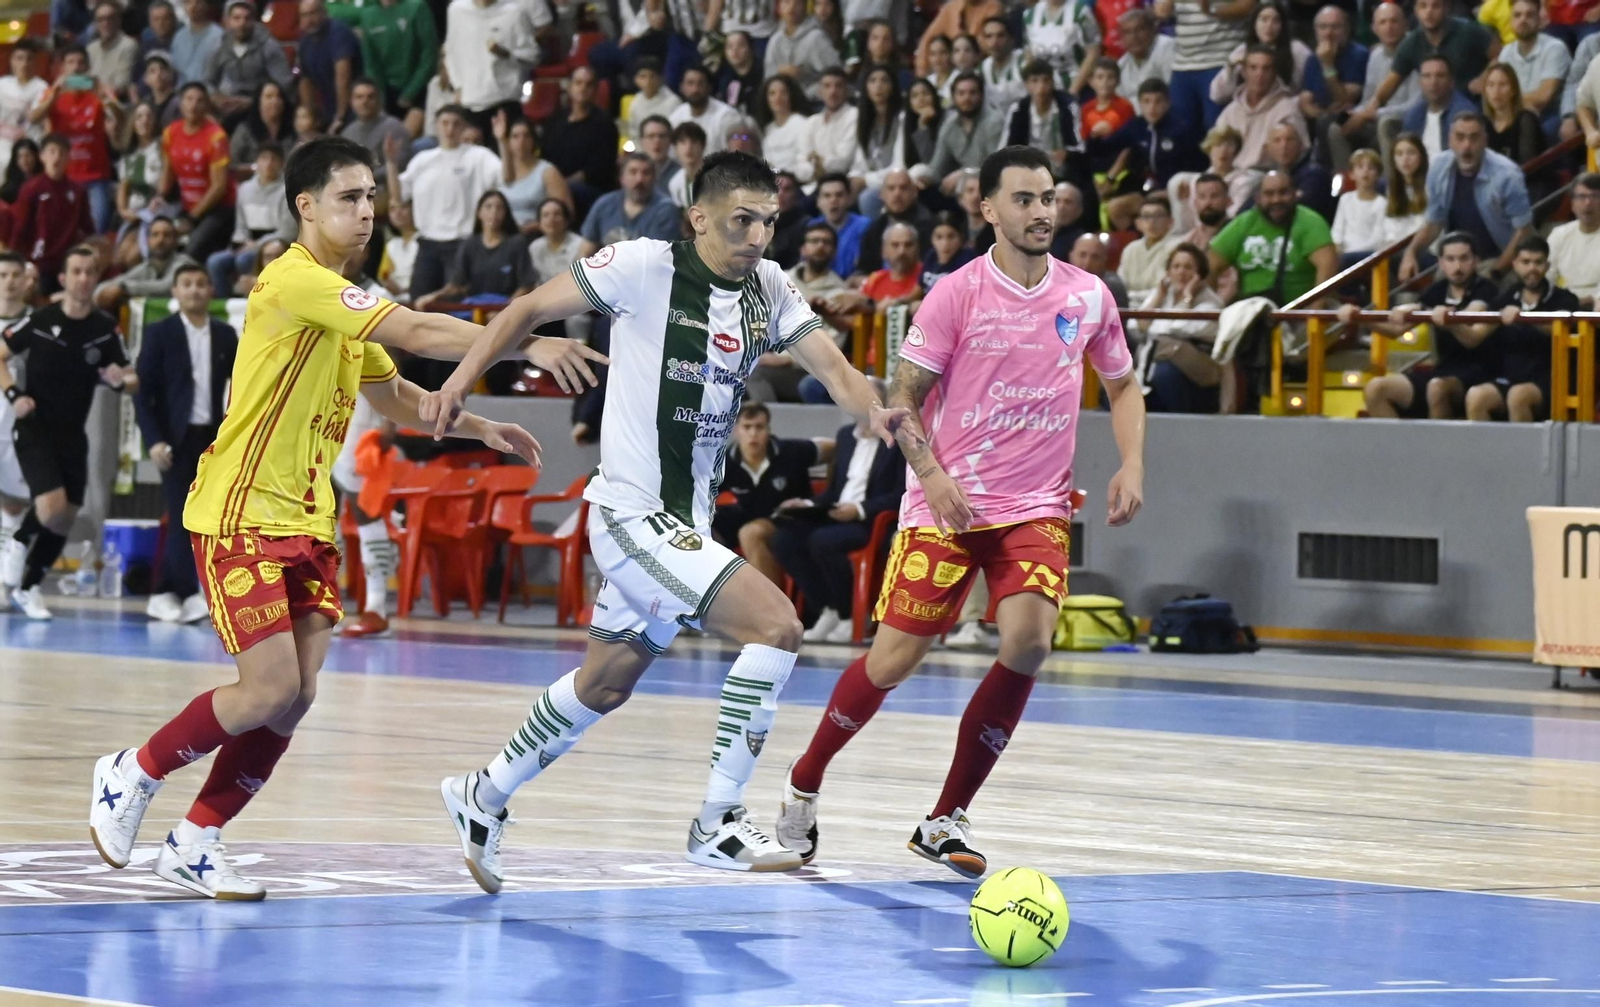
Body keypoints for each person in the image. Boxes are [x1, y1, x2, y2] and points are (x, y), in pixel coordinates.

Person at [85, 135, 585, 900]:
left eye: (371, 198)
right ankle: (132, 770)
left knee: (299, 693)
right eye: (349, 198)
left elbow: (396, 395)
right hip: (240, 509)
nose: (365, 212)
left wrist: (480, 426)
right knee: (264, 688)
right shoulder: (295, 280)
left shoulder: (347, 309)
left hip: (308, 520)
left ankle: (195, 839)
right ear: (305, 207)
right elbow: (416, 331)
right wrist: (528, 336)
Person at [424, 150, 909, 887]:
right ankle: (716, 822)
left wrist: (879, 413)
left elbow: (834, 368)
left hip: (681, 527)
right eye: (742, 220)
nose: (758, 236)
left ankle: (481, 793)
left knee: (606, 682)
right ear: (700, 219)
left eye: (769, 221)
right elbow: (525, 308)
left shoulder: (769, 287)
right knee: (777, 626)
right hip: (629, 513)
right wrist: (462, 381)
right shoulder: (642, 266)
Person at [774, 145, 1145, 878]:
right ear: (988, 208)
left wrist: (1133, 462)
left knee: (1031, 640)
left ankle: (945, 818)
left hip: (1035, 506)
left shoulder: (1088, 296)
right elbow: (901, 400)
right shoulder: (956, 295)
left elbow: (1124, 386)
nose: (1041, 212)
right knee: (893, 659)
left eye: (1049, 198)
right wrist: (933, 475)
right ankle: (804, 780)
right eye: (1025, 199)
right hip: (946, 501)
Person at [0, 245, 139, 621]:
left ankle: (29, 588)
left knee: (64, 518)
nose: (82, 279)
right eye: (75, 271)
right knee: (51, 507)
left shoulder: (103, 329)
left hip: (73, 435)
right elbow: (1, 353)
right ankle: (16, 540)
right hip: (33, 429)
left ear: (96, 278)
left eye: (89, 272)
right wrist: (14, 394)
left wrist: (119, 381)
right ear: (63, 278)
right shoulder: (41, 319)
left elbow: (130, 378)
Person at [134, 263, 237, 624]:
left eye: (200, 284)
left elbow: (238, 386)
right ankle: (179, 592)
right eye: (186, 284)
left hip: (211, 440)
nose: (194, 290)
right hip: (173, 441)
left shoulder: (225, 335)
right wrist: (154, 440)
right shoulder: (161, 333)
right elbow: (142, 392)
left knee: (205, 518)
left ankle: (176, 590)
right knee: (181, 515)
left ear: (211, 290)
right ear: (175, 292)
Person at [772, 377, 905, 643]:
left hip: (870, 521)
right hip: (836, 515)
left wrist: (857, 510)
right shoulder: (846, 437)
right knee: (785, 538)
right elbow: (834, 491)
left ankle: (850, 616)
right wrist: (808, 505)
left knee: (823, 541)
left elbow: (900, 495)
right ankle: (827, 608)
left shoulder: (898, 441)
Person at [1356, 231, 1498, 419]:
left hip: (1481, 374)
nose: (1458, 266)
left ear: (1475, 261)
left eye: (1464, 259)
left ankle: (1439, 449)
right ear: (1441, 262)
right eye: (1451, 259)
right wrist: (1359, 316)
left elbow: (1471, 333)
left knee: (1436, 387)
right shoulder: (1437, 290)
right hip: (1443, 370)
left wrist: (1448, 318)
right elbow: (1394, 331)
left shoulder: (1487, 289)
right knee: (1376, 388)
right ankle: (1398, 448)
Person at [1399, 111, 1532, 282]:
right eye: (1460, 137)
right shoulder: (1438, 167)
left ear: (1485, 140)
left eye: (1474, 138)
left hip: (1498, 258)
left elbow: (1524, 231)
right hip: (1457, 260)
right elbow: (1433, 223)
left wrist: (1497, 271)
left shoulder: (1507, 174)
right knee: (1433, 298)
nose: (1466, 146)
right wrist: (1411, 252)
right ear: (1450, 140)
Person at [389, 104, 502, 302]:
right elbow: (398, 198)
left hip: (462, 241)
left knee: (455, 303)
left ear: (464, 128)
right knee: (419, 301)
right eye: (445, 123)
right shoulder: (422, 160)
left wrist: (502, 142)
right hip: (427, 242)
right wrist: (390, 163)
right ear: (436, 126)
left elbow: (506, 179)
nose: (450, 129)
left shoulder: (479, 156)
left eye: (456, 124)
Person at [712, 402, 832, 585]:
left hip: (791, 520)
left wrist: (832, 490)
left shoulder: (791, 451)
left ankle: (768, 608)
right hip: (748, 517)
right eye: (747, 427)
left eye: (759, 427)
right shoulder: (723, 464)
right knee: (699, 534)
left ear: (768, 429)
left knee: (750, 533)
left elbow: (836, 447)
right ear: (736, 430)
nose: (753, 434)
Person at [1464, 236, 1580, 423]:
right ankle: (1484, 452)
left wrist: (1525, 318)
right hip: (1512, 378)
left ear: (1547, 266)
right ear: (1515, 264)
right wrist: (1450, 321)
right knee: (1476, 396)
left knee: (1518, 396)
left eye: (1538, 262)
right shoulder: (1506, 297)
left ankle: (1523, 453)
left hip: (1553, 381)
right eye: (1526, 262)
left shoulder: (1564, 298)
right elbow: (1473, 337)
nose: (1532, 268)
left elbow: (1563, 330)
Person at [1208, 169, 1338, 305]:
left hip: (1299, 314)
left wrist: (1313, 315)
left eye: (1283, 193)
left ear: (1295, 194)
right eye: (1269, 194)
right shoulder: (1243, 223)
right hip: (1250, 313)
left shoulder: (1311, 222)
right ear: (1258, 198)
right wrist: (1212, 307)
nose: (1276, 200)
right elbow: (1209, 268)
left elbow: (1328, 267)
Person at [34, 44, 122, 234]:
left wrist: (105, 98)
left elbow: (121, 116)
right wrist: (54, 95)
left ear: (88, 67)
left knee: (97, 228)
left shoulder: (98, 91)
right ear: (63, 68)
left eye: (81, 63)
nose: (75, 67)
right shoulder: (53, 92)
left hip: (96, 176)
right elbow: (34, 118)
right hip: (64, 176)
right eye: (70, 62)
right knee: (62, 230)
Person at [1134, 242, 1224, 413]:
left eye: (1188, 267)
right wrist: (1159, 296)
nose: (1181, 272)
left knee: (1165, 373)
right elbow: (1142, 324)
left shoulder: (1211, 303)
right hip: (1151, 368)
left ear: (1200, 274)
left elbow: (1177, 327)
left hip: (1197, 376)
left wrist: (1187, 297)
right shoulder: (1163, 293)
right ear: (1168, 272)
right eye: (1176, 267)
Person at [1365, 0, 1497, 113]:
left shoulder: (1468, 31)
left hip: (1470, 102)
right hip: (1431, 105)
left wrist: (1484, 78)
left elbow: (1500, 55)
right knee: (1392, 122)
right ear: (1416, 11)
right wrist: (1367, 111)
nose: (1428, 12)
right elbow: (1388, 87)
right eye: (1423, 6)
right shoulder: (1412, 43)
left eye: (1435, 6)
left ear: (1446, 8)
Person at [414, 190, 535, 309]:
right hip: (475, 308)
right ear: (479, 212)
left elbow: (526, 285)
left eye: (499, 208)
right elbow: (457, 284)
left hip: (505, 307)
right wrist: (433, 296)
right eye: (488, 207)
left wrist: (505, 311)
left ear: (505, 213)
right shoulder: (469, 245)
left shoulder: (517, 243)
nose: (494, 212)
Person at [1332, 1, 1415, 169]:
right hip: (1375, 118)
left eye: (1394, 21)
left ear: (1405, 25)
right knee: (1336, 128)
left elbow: (1415, 106)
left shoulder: (1415, 52)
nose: (1389, 27)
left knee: (1385, 124)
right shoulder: (1375, 55)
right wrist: (1355, 113)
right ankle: (1348, 184)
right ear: (1374, 28)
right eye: (1383, 22)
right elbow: (1367, 100)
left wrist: (1373, 114)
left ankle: (1391, 186)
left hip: (1405, 122)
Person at [205, 144, 295, 295]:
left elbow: (288, 231)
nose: (268, 164)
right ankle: (226, 304)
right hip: (247, 244)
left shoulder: (287, 191)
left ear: (281, 164)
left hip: (274, 244)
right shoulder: (245, 189)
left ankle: (252, 301)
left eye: (274, 159)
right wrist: (240, 242)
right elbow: (241, 225)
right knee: (215, 262)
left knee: (245, 260)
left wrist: (257, 244)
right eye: (264, 158)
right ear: (257, 162)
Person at [160, 82, 235, 261]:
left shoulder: (216, 136)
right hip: (185, 206)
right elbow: (167, 173)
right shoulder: (171, 132)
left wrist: (192, 217)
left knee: (190, 252)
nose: (193, 105)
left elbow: (219, 187)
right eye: (189, 99)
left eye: (200, 100)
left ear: (207, 105)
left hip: (217, 209)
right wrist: (158, 198)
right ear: (181, 103)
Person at [10, 134, 93, 294]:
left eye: (62, 153)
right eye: (52, 152)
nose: (56, 157)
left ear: (69, 157)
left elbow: (88, 227)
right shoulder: (31, 188)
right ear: (42, 156)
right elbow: (19, 228)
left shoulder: (77, 190)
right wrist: (20, 263)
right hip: (38, 263)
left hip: (67, 263)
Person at [1160, 0, 1251, 132]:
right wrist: (1165, 6)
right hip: (1183, 64)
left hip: (1220, 60)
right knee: (1179, 131)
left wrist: (1212, 10)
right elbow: (1161, 12)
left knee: (1218, 131)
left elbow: (1247, 6)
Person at [1297, 5, 1367, 172]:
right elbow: (1305, 102)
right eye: (1323, 27)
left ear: (1347, 29)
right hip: (1323, 116)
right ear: (1315, 31)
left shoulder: (1358, 54)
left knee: (1325, 123)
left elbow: (1344, 99)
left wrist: (1327, 65)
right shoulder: (1313, 58)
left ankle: (1335, 179)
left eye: (1335, 27)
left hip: (1353, 119)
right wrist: (1321, 111)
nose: (1328, 33)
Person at [1214, 46, 1307, 171]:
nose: (1260, 74)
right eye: (1253, 68)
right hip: (1229, 172)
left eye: (1266, 69)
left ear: (1274, 73)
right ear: (1244, 72)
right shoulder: (1230, 111)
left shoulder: (1287, 108)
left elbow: (1301, 151)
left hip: (1265, 174)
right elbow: (1216, 148)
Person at [542, 67, 621, 209]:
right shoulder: (555, 120)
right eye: (578, 83)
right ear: (570, 87)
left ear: (595, 90)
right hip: (556, 182)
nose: (583, 88)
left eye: (588, 84)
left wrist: (561, 185)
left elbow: (598, 169)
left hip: (589, 190)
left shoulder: (605, 124)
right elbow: (545, 157)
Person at [349, 0, 439, 125]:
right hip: (387, 91)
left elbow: (429, 54)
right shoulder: (368, 14)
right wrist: (380, 96)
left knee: (404, 136)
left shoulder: (417, 7)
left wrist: (411, 92)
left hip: (419, 89)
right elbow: (371, 62)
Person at [0, 254, 33, 585]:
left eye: (15, 274)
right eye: (3, 274)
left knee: (12, 505)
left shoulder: (34, 325)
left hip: (16, 427)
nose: (8, 281)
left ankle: (7, 579)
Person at [205, 0, 293, 122]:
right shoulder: (220, 46)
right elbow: (207, 81)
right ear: (227, 21)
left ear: (254, 21)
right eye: (237, 18)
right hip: (229, 107)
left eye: (247, 18)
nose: (242, 23)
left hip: (261, 109)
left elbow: (284, 84)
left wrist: (254, 101)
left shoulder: (268, 46)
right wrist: (216, 98)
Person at [1210, 1, 1309, 107]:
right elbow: (1217, 95)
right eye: (1264, 19)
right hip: (1248, 112)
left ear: (1283, 25)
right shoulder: (1242, 51)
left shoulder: (1297, 50)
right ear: (1254, 23)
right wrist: (1230, 70)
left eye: (1276, 21)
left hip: (1285, 108)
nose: (1269, 25)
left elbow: (1308, 87)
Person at [578, 153, 680, 253]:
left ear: (655, 179)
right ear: (622, 178)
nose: (639, 179)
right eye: (633, 172)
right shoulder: (604, 204)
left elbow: (657, 258)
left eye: (646, 173)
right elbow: (585, 250)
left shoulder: (665, 210)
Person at [492, 112, 573, 233]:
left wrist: (539, 226)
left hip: (534, 234)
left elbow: (567, 213)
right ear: (508, 141)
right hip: (504, 235)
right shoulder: (498, 170)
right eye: (515, 136)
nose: (521, 142)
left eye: (526, 136)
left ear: (533, 140)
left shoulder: (548, 172)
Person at [96, 215, 196, 310]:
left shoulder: (185, 263)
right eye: (155, 235)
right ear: (148, 241)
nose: (160, 240)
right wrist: (101, 294)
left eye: (167, 235)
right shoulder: (147, 267)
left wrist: (124, 288)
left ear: (175, 241)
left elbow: (166, 288)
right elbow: (106, 287)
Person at [930, 73, 1004, 194]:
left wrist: (965, 174)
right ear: (953, 97)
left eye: (972, 93)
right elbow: (937, 167)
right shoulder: (949, 125)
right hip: (962, 190)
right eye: (961, 93)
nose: (967, 98)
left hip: (991, 187)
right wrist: (921, 178)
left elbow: (997, 168)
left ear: (981, 96)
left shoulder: (994, 121)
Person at [1497, 0, 1568, 122]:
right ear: (1510, 22)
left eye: (1529, 15)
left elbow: (1544, 96)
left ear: (1539, 20)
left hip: (1552, 114)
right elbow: (1498, 92)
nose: (1523, 20)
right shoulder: (1506, 52)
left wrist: (1507, 100)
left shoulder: (1555, 47)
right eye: (1517, 15)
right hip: (1519, 113)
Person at [296, 0, 362, 130]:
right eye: (304, 15)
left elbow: (343, 78)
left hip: (354, 106)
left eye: (312, 13)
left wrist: (340, 117)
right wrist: (310, 117)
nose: (308, 20)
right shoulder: (305, 41)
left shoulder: (338, 33)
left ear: (324, 12)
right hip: (328, 107)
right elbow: (305, 80)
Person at [853, 172, 933, 275]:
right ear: (882, 194)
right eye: (891, 188)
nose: (897, 193)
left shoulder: (929, 226)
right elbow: (864, 269)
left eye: (903, 188)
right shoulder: (875, 228)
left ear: (914, 192)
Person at [338, 78, 412, 187]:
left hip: (386, 188)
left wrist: (364, 177)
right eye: (359, 97)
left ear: (379, 100)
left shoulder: (394, 127)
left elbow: (401, 165)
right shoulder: (347, 133)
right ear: (351, 101)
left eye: (370, 97)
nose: (364, 101)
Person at [1400, 55, 1477, 158]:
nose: (1433, 82)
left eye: (1440, 76)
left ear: (1451, 81)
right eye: (1427, 76)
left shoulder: (1464, 113)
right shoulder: (1414, 114)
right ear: (1420, 82)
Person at [1022, 0, 1102, 97]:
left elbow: (1093, 53)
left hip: (1077, 85)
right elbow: (1028, 53)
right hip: (1043, 89)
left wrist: (1073, 91)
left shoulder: (1080, 11)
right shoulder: (1030, 15)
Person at [1260, 122, 1335, 224]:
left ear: (1301, 145)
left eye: (1289, 140)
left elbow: (1297, 210)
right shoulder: (1271, 176)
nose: (1284, 146)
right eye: (1277, 140)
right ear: (1267, 148)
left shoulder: (1315, 173)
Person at [1119, 195, 1184, 305]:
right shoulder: (1130, 249)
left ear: (1170, 221)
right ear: (1138, 223)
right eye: (1146, 216)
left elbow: (1165, 289)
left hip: (1161, 307)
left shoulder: (1178, 247)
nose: (1151, 222)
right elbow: (1120, 287)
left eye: (1158, 216)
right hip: (1129, 307)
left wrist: (1130, 296)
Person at [766, 0, 839, 97]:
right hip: (783, 103)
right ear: (779, 7)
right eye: (786, 2)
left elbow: (836, 76)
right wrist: (779, 72)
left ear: (805, 7)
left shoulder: (816, 38)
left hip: (814, 102)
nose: (791, 8)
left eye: (797, 3)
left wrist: (804, 75)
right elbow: (767, 79)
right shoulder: (775, 40)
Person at [670, 65, 747, 156]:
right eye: (690, 83)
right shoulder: (676, 116)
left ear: (709, 87)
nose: (695, 90)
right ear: (682, 87)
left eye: (700, 84)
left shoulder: (727, 116)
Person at [1549, 174, 1600, 308]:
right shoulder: (1559, 235)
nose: (1588, 202)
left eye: (1595, 196)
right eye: (1582, 197)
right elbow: (1547, 277)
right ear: (1572, 204)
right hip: (1563, 306)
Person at [916, 0, 1003, 77]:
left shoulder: (993, 6)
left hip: (982, 68)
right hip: (953, 70)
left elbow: (988, 42)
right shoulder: (951, 8)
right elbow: (927, 40)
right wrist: (922, 74)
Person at [1330, 148, 1386, 264]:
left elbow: (1378, 238)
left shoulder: (1382, 204)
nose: (1365, 172)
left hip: (1370, 256)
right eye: (1360, 167)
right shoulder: (1345, 199)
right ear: (1352, 174)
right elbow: (1337, 231)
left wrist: (1356, 253)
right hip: (1345, 255)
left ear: (1378, 175)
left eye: (1370, 168)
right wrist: (1337, 248)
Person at [803, 68, 858, 181]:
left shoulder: (854, 116)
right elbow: (801, 161)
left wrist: (816, 161)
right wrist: (814, 168)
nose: (832, 92)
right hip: (811, 182)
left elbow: (843, 162)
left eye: (838, 86)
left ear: (847, 90)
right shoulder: (812, 122)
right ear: (819, 91)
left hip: (843, 181)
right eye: (827, 86)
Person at [0, 42, 47, 175]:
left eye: (29, 58)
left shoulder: (41, 87)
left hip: (27, 150)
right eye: (19, 58)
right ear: (11, 61)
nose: (24, 63)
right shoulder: (2, 85)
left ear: (35, 62)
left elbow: (35, 117)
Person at [760, 74, 817, 183]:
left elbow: (806, 162)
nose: (778, 98)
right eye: (772, 93)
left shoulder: (802, 123)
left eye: (783, 92)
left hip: (798, 183)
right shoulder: (768, 129)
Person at [811, 172, 868, 276]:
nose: (833, 200)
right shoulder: (812, 228)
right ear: (818, 202)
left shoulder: (865, 227)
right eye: (827, 196)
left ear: (849, 199)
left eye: (839, 195)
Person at [230, 79, 295, 167]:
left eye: (279, 97)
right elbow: (233, 163)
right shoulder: (244, 131)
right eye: (269, 97)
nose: (275, 101)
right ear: (259, 101)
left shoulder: (293, 129)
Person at [1115, 8, 1175, 101]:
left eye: (1140, 29)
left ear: (1153, 29)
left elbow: (1175, 92)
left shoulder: (1167, 47)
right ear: (1121, 38)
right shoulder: (1121, 65)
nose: (1134, 37)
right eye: (1127, 32)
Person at [1382, 132, 1428, 246]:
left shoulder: (1429, 186)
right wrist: (1391, 241)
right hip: (1397, 247)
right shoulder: (1392, 187)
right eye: (1399, 154)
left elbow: (1424, 225)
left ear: (1421, 156)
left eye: (1411, 153)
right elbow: (1391, 222)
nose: (1405, 159)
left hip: (1422, 246)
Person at [87, 1, 141, 96]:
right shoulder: (91, 48)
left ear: (118, 20)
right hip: (91, 101)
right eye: (101, 19)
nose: (105, 23)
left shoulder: (128, 46)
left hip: (116, 104)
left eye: (110, 18)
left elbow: (120, 86)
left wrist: (90, 85)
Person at [977, 17, 1025, 116]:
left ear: (1011, 39)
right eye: (989, 36)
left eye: (1000, 35)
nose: (995, 42)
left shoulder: (1023, 61)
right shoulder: (983, 68)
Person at [170, 0, 224, 87]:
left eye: (198, 2)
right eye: (188, 2)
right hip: (182, 93)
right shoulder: (179, 36)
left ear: (207, 5)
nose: (193, 7)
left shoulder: (219, 36)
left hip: (209, 93)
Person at [626, 58, 683, 139]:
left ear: (660, 79)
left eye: (652, 76)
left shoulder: (673, 102)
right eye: (643, 77)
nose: (648, 81)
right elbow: (634, 133)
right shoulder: (636, 101)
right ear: (636, 80)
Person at [1068, 231, 1129, 305]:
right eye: (1082, 255)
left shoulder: (1112, 287)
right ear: (1071, 256)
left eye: (1095, 257)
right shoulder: (1058, 280)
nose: (1088, 262)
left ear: (1104, 260)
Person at [376, 199, 419, 303]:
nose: (397, 213)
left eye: (403, 207)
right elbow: (384, 275)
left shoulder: (426, 241)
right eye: (392, 209)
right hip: (395, 298)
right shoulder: (392, 244)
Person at [922, 212, 976, 288]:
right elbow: (920, 287)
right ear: (931, 238)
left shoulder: (968, 259)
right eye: (939, 237)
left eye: (951, 237)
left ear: (961, 237)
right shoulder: (931, 256)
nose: (945, 243)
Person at [667, 121, 707, 207]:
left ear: (703, 145)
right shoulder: (674, 183)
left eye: (694, 142)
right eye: (682, 142)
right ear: (675, 148)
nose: (688, 148)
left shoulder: (718, 178)